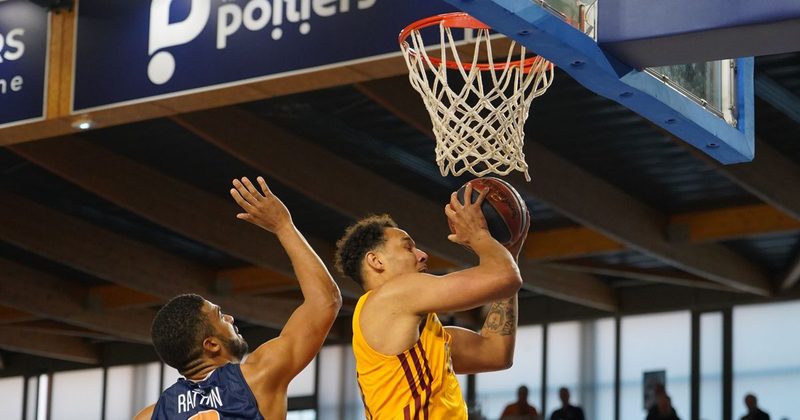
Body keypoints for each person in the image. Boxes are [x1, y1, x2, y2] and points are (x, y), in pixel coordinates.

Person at [134, 176, 342, 419]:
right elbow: (325, 301)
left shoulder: (149, 416)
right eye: (220, 316)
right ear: (211, 344)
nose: (230, 318)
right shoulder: (259, 376)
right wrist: (283, 225)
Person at [334, 183, 528, 419]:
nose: (422, 255)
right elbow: (504, 277)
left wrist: (509, 256)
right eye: (408, 248)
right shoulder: (389, 296)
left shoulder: (423, 336)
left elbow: (496, 353)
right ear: (376, 261)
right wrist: (479, 235)